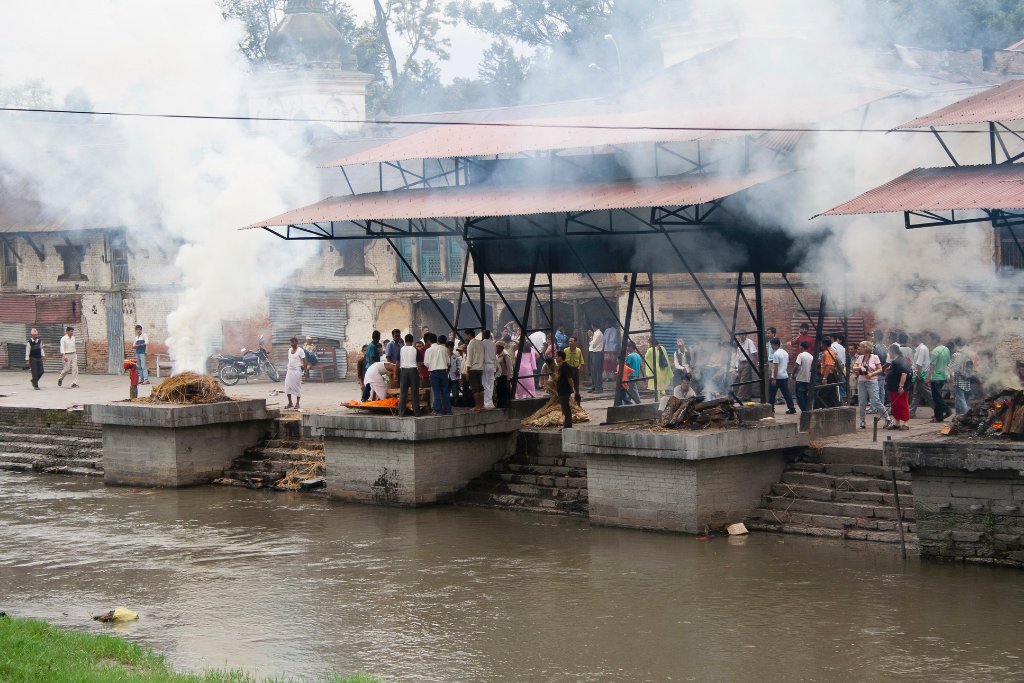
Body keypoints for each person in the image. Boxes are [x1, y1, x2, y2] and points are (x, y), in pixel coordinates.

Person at [853, 340, 891, 429]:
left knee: (876, 401)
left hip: (872, 381)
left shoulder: (875, 357)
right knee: (862, 402)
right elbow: (854, 367)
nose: (859, 348)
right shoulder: (860, 357)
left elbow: (880, 369)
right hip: (861, 381)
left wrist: (872, 374)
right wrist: (860, 367)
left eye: (861, 347)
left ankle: (887, 419)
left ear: (866, 348)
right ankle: (862, 420)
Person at [886, 342, 912, 430]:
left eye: (889, 352)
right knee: (895, 406)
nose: (889, 354)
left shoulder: (901, 361)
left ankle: (906, 422)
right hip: (892, 388)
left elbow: (904, 374)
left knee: (902, 404)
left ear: (892, 351)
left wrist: (901, 387)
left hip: (898, 388)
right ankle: (897, 422)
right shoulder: (895, 361)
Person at [425, 333, 451, 415]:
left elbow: (426, 363)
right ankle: (448, 410)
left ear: (429, 341)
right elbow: (448, 362)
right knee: (445, 391)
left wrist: (433, 364)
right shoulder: (444, 348)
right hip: (444, 372)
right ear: (436, 340)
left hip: (434, 372)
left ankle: (437, 410)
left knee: (436, 392)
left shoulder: (428, 350)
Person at [768, 338, 797, 414]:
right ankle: (791, 408)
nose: (771, 346)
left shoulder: (776, 354)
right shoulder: (785, 353)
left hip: (777, 377)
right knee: (786, 393)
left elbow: (776, 367)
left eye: (772, 345)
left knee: (771, 394)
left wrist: (774, 378)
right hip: (784, 376)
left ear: (776, 345)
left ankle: (771, 409)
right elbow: (786, 364)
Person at [398, 333, 421, 417]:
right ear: (412, 341)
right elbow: (418, 363)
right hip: (413, 371)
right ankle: (416, 412)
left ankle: (401, 412)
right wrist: (420, 373)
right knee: (415, 392)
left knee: (403, 392)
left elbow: (397, 362)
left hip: (403, 371)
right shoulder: (415, 350)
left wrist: (396, 374)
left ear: (405, 340)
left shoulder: (401, 349)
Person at [929, 335, 951, 423]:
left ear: (934, 340)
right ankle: (939, 417)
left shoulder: (935, 351)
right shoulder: (946, 349)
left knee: (937, 397)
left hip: (935, 377)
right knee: (937, 397)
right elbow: (948, 363)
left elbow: (932, 366)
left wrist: (927, 377)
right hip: (943, 376)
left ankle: (947, 409)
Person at [910, 333, 931, 418]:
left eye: (912, 340)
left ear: (916, 339)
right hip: (918, 373)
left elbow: (919, 363)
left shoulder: (922, 349)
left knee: (928, 394)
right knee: (916, 394)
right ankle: (911, 412)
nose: (911, 341)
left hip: (920, 373)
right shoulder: (921, 348)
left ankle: (941, 409)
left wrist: (918, 374)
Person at [734, 333, 758, 402]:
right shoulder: (739, 343)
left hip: (747, 363)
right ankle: (747, 397)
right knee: (746, 381)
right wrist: (737, 365)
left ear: (745, 336)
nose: (741, 337)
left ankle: (739, 398)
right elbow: (738, 355)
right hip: (740, 363)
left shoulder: (749, 342)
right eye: (740, 336)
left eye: (742, 335)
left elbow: (755, 353)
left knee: (743, 381)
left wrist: (756, 363)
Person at [284, 336, 307, 410]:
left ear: (296, 342)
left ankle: (297, 403)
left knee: (297, 386)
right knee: (287, 386)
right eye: (291, 342)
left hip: (297, 370)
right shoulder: (289, 350)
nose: (291, 344)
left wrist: (305, 370)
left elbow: (305, 361)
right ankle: (290, 403)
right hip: (289, 370)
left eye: (293, 342)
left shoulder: (300, 350)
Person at [617, 341, 643, 405]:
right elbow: (640, 366)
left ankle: (639, 402)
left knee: (633, 390)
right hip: (637, 375)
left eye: (628, 347)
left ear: (631, 347)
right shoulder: (638, 355)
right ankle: (627, 401)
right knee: (630, 390)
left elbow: (626, 366)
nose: (627, 348)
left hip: (631, 375)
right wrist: (643, 375)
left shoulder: (630, 356)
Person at [465, 329, 484, 412]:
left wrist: (467, 371)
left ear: (469, 335)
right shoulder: (480, 343)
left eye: (466, 335)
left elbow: (469, 358)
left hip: (473, 368)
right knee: (480, 387)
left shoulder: (471, 344)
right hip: (480, 368)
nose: (466, 337)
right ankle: (481, 405)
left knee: (475, 388)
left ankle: (477, 406)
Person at [554, 350, 574, 429]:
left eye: (557, 356)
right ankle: (567, 423)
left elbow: (569, 379)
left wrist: (571, 388)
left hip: (565, 390)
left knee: (565, 407)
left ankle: (568, 424)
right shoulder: (561, 367)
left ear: (561, 357)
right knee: (564, 407)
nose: (556, 358)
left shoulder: (565, 366)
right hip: (561, 390)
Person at [361, 331, 382, 401]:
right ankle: (364, 397)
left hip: (370, 367)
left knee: (371, 383)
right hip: (371, 367)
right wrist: (376, 367)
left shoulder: (371, 345)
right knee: (370, 383)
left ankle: (369, 397)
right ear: (378, 337)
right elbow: (372, 359)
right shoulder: (372, 346)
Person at [563, 336, 584, 405]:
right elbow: (562, 361)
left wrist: (579, 367)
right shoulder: (565, 350)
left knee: (576, 386)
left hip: (575, 370)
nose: (570, 343)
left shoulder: (579, 350)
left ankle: (578, 402)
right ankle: (568, 401)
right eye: (569, 341)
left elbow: (581, 361)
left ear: (575, 342)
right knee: (567, 386)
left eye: (572, 341)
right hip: (568, 370)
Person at [794, 341, 813, 411]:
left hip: (800, 379)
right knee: (805, 396)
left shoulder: (800, 355)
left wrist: (793, 374)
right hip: (808, 379)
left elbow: (796, 366)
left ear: (801, 346)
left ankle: (804, 411)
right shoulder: (811, 356)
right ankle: (807, 410)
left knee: (800, 397)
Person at [481, 329, 497, 409]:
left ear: (483, 335)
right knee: (491, 383)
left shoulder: (482, 343)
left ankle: (487, 402)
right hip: (492, 364)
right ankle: (490, 402)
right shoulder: (493, 344)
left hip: (485, 364)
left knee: (485, 384)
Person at [495, 341, 513, 408]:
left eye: (496, 347)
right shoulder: (498, 355)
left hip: (505, 377)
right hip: (500, 376)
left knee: (505, 392)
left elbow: (509, 367)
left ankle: (506, 407)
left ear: (500, 347)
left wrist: (509, 379)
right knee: (500, 392)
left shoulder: (505, 355)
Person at [588, 324, 604, 393]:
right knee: (593, 371)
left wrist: (590, 336)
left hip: (597, 353)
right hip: (593, 353)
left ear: (593, 326)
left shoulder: (598, 334)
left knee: (597, 371)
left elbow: (593, 344)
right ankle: (594, 386)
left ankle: (598, 388)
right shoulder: (595, 333)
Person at [447, 340, 462, 407]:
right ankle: (447, 405)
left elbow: (459, 365)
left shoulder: (455, 356)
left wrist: (458, 370)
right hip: (447, 376)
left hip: (454, 376)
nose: (451, 348)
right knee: (447, 391)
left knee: (455, 391)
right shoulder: (445, 355)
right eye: (450, 347)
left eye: (452, 347)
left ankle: (456, 404)